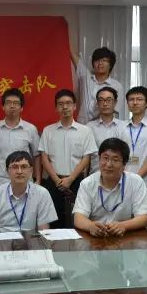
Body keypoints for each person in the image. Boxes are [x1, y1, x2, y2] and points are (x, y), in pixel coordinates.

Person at [39, 89, 97, 228]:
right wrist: (57, 180)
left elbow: (86, 158)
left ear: (75, 106)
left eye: (68, 103)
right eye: (61, 104)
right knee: (54, 220)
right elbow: (44, 158)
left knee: (76, 219)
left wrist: (70, 179)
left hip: (76, 181)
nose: (65, 107)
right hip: (54, 182)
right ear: (56, 107)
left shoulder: (85, 131)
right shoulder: (48, 131)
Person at [73, 138, 147, 237]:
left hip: (126, 237)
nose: (108, 164)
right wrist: (90, 226)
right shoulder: (87, 184)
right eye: (105, 158)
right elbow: (78, 218)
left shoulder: (136, 182)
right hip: (96, 238)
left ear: (124, 164)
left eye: (115, 160)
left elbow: (144, 218)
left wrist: (123, 226)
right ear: (99, 159)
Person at [0, 151, 57, 233]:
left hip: (30, 239)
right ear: (7, 171)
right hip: (2, 239)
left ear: (31, 170)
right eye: (14, 167)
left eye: (24, 167)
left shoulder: (42, 194)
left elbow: (44, 230)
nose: (19, 171)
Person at [0, 88, 41, 186]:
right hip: (2, 182)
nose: (12, 106)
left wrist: (38, 179)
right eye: (8, 102)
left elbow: (37, 155)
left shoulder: (30, 129)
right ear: (3, 106)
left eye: (16, 103)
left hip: (25, 181)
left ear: (21, 107)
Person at [70, 46, 124, 124]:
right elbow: (73, 55)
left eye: (104, 60)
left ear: (110, 65)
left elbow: (114, 110)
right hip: (82, 125)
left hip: (102, 126)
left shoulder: (117, 86)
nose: (100, 63)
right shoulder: (85, 77)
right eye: (97, 60)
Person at [86, 86, 128, 173]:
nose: (105, 103)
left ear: (115, 103)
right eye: (101, 100)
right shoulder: (89, 127)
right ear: (97, 103)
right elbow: (86, 156)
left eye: (109, 100)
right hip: (95, 175)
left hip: (118, 175)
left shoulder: (124, 126)